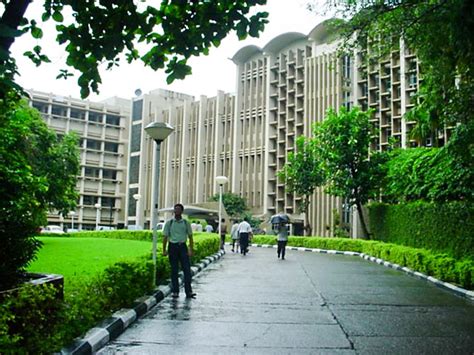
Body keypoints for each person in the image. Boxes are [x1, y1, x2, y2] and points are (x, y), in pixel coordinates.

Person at [162, 203, 196, 299]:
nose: (176, 211)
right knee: (174, 270)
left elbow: (190, 236)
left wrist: (190, 249)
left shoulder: (186, 223)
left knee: (187, 270)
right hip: (172, 247)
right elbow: (165, 237)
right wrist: (164, 250)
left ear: (182, 211)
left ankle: (188, 291)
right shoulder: (169, 223)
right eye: (175, 209)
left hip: (182, 247)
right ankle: (175, 291)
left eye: (178, 209)